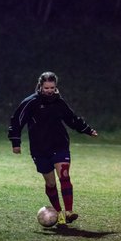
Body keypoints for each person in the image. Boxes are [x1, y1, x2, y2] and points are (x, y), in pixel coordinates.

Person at [8, 71, 97, 225]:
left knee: (64, 176)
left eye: (52, 87)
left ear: (56, 87)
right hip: (40, 149)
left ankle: (69, 211)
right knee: (50, 183)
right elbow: (17, 120)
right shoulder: (31, 102)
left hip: (60, 145)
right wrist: (16, 142)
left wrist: (87, 130)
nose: (49, 90)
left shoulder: (59, 102)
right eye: (47, 88)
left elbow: (72, 118)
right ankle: (59, 213)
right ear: (40, 86)